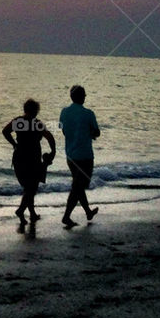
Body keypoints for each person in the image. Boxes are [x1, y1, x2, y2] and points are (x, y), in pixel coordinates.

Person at [2, 99, 56, 226]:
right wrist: (53, 151)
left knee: (28, 187)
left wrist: (14, 144)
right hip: (33, 158)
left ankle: (32, 213)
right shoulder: (37, 123)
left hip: (19, 157)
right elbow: (49, 137)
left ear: (25, 109)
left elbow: (5, 131)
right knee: (32, 187)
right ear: (36, 111)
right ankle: (21, 210)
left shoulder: (18, 121)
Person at [59, 85, 100, 227]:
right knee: (78, 186)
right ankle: (66, 216)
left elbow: (63, 131)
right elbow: (96, 132)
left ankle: (88, 211)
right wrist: (89, 133)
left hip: (70, 154)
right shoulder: (88, 113)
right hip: (85, 155)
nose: (85, 97)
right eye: (84, 95)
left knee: (78, 185)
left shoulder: (64, 112)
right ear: (82, 97)